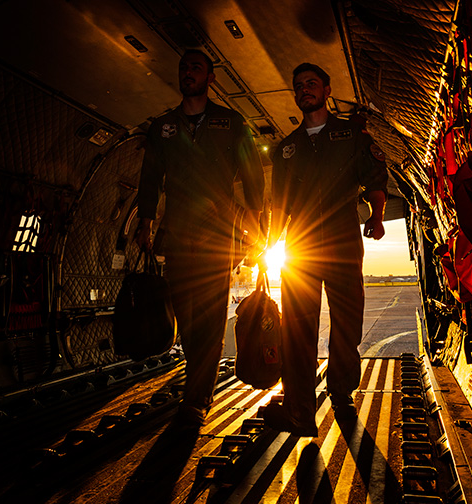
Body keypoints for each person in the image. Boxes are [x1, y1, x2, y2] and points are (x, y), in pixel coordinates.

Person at [135, 49, 265, 427]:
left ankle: (195, 400)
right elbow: (148, 178)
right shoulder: (163, 127)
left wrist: (257, 226)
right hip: (177, 232)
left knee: (209, 317)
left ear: (211, 78)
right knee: (187, 317)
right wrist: (144, 221)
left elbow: (253, 176)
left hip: (216, 234)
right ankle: (196, 381)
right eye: (183, 68)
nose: (187, 73)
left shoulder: (231, 122)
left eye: (195, 68)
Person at [264, 62, 387, 437]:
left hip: (340, 239)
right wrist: (268, 247)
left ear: (327, 90)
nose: (305, 90)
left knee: (346, 321)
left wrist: (377, 214)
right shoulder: (286, 148)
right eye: (299, 85)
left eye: (312, 84)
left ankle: (341, 392)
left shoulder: (352, 135)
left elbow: (375, 178)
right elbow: (279, 204)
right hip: (299, 244)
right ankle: (299, 410)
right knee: (297, 329)